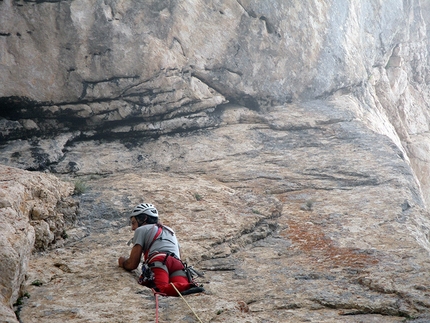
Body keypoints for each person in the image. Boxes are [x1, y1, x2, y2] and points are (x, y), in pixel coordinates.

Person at [118, 203, 204, 296]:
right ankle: (189, 286)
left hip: (159, 261)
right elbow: (179, 253)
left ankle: (187, 287)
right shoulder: (170, 230)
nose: (133, 228)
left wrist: (123, 262)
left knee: (160, 289)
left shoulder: (141, 230)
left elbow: (133, 263)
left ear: (144, 218)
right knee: (181, 287)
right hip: (178, 264)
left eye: (133, 223)